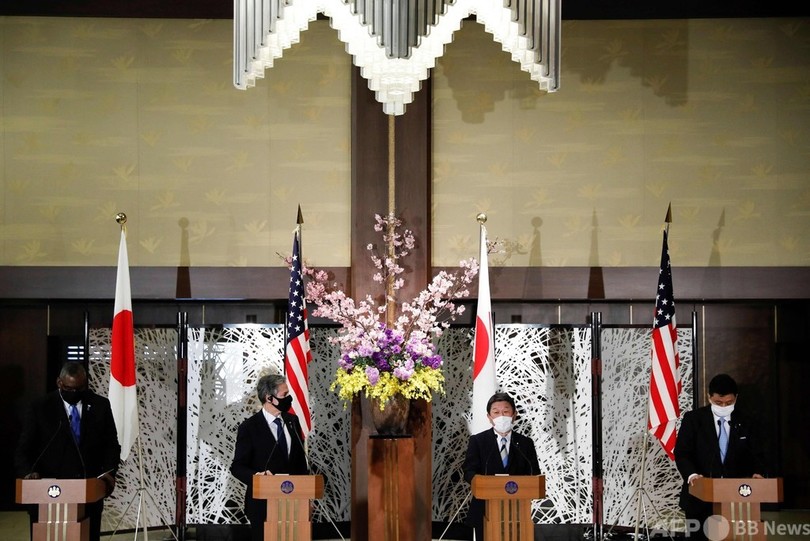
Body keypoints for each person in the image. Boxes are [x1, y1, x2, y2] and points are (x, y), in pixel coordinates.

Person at [14, 361, 121, 541]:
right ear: (59, 383)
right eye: (69, 389)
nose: (74, 393)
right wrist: (28, 473)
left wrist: (108, 473)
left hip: (88, 495)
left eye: (80, 388)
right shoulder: (40, 407)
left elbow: (111, 445)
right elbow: (23, 450)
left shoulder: (100, 405)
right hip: (47, 495)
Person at [674, 373, 767, 540]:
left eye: (729, 403)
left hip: (736, 497)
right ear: (709, 397)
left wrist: (758, 473)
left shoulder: (747, 421)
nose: (724, 406)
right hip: (700, 497)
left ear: (736, 398)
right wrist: (692, 475)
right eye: (718, 402)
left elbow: (758, 454)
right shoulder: (693, 419)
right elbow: (682, 453)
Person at [231, 373, 310, 541]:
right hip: (262, 504)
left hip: (294, 502)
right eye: (284, 395)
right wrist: (257, 477)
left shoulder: (292, 421)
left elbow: (299, 462)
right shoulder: (249, 427)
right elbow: (237, 467)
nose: (289, 399)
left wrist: (307, 496)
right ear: (269, 398)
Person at [463, 392, 541, 541]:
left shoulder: (525, 443)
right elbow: (469, 471)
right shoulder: (478, 441)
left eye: (506, 411)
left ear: (514, 415)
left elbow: (534, 473)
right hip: (485, 510)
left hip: (517, 511)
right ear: (489, 417)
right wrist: (481, 483)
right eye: (496, 412)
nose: (501, 416)